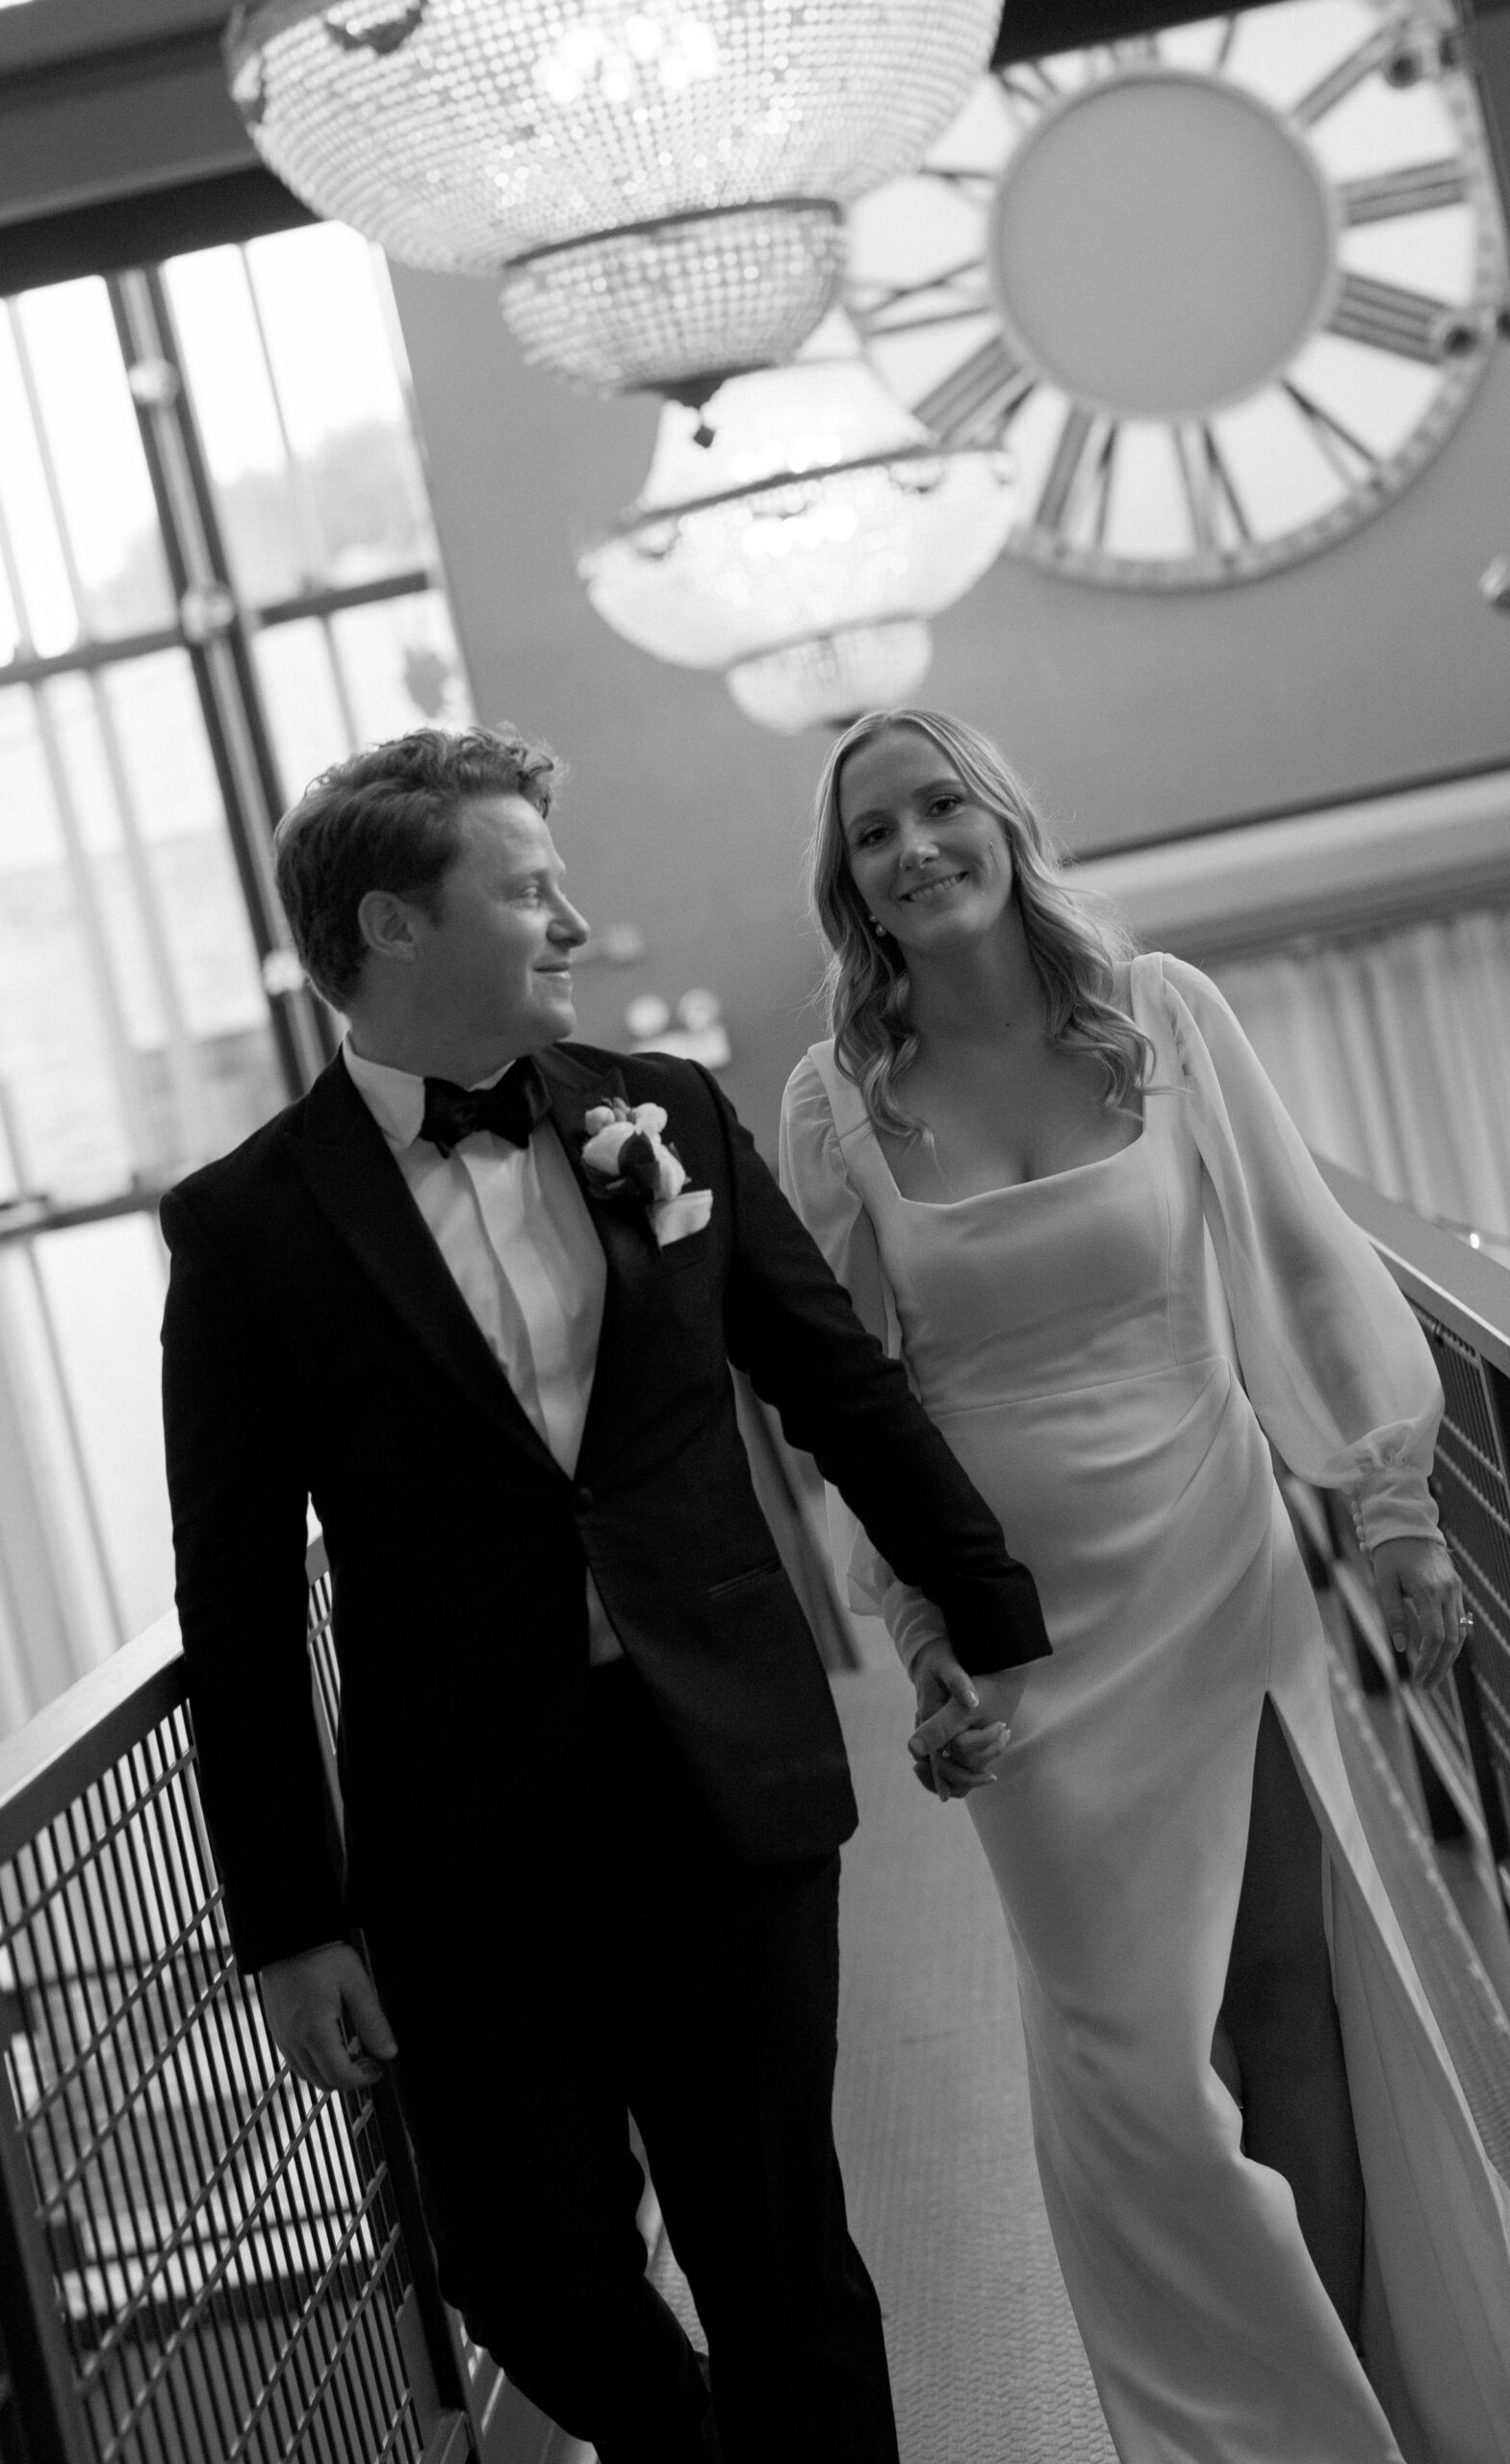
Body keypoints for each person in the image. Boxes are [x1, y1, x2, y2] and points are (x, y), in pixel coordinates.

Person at [159, 723, 1053, 2464]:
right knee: (526, 2271)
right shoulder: (248, 1229)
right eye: (526, 889)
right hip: (459, 1838)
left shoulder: (673, 1113)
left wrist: (989, 1619)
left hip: (719, 1779)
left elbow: (838, 1385)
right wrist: (288, 1920)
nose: (572, 923)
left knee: (782, 2257)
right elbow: (241, 1601)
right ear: (393, 930)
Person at [780, 707, 1510, 2464]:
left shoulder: (1165, 1018)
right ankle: (1243, 2423)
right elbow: (850, 1409)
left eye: (942, 806)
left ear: (1006, 821)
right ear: (847, 882)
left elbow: (1302, 1263)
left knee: (1285, 2004)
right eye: (876, 832)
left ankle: (1350, 2426)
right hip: (1024, 1644)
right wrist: (926, 1639)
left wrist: (1392, 1506)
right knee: (1139, 2080)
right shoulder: (835, 1103)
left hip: (1211, 1561)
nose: (916, 847)